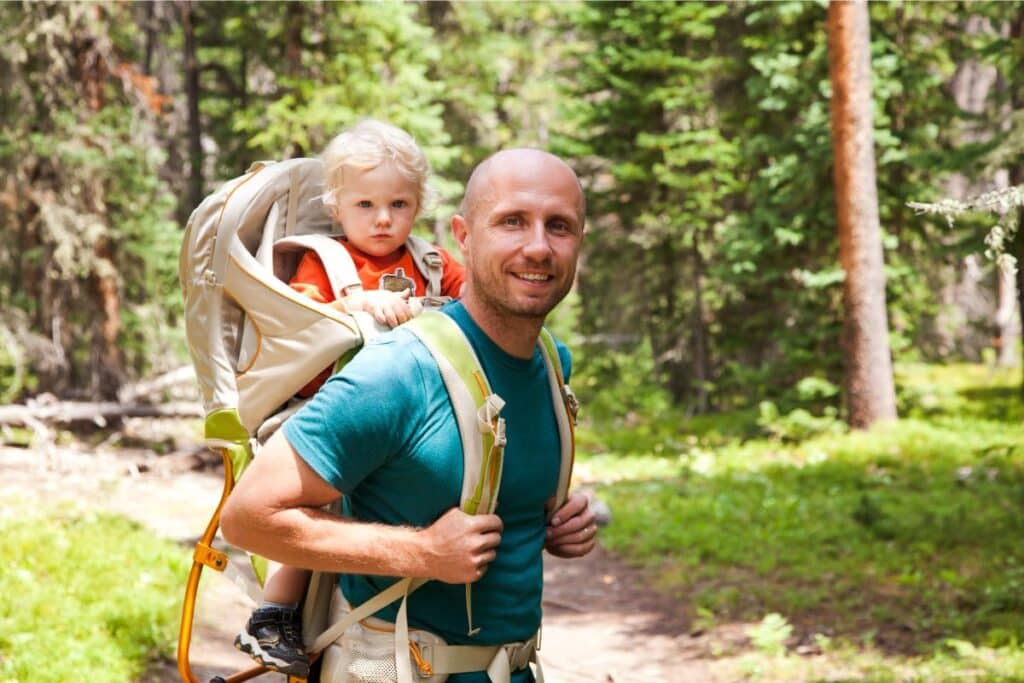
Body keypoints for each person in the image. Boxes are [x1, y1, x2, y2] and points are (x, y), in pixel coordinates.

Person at [221, 148, 598, 683]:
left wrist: (552, 528)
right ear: (463, 237)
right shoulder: (398, 372)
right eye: (512, 221)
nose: (538, 246)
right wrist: (420, 552)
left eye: (559, 226)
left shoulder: (550, 364)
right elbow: (248, 517)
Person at [234, 119, 466, 677]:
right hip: (319, 410)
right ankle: (274, 612)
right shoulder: (325, 262)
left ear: (419, 204)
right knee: (323, 500)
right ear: (337, 206)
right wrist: (358, 305)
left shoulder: (432, 265)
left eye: (399, 204)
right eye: (365, 204)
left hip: (408, 417)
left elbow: (472, 307)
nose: (383, 219)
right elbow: (300, 321)